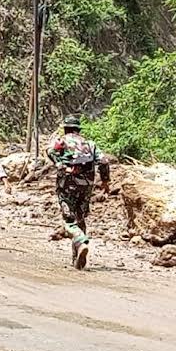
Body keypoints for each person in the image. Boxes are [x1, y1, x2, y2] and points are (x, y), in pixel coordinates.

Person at [46, 115, 110, 270]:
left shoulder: (62, 142)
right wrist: (105, 181)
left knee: (69, 220)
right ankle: (78, 258)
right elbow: (104, 161)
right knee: (80, 219)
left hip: (67, 185)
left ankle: (81, 240)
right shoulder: (90, 144)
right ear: (78, 129)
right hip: (86, 186)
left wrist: (61, 165)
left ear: (66, 128)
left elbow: (50, 152)